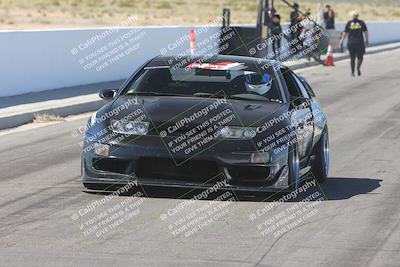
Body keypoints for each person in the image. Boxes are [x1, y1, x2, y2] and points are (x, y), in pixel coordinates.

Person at [339, 11, 369, 76]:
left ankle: (352, 72)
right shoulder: (361, 22)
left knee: (352, 58)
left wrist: (341, 41)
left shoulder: (349, 23)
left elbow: (345, 33)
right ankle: (358, 66)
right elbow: (366, 32)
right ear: (358, 16)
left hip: (351, 43)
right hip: (360, 42)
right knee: (360, 57)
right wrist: (367, 40)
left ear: (352, 16)